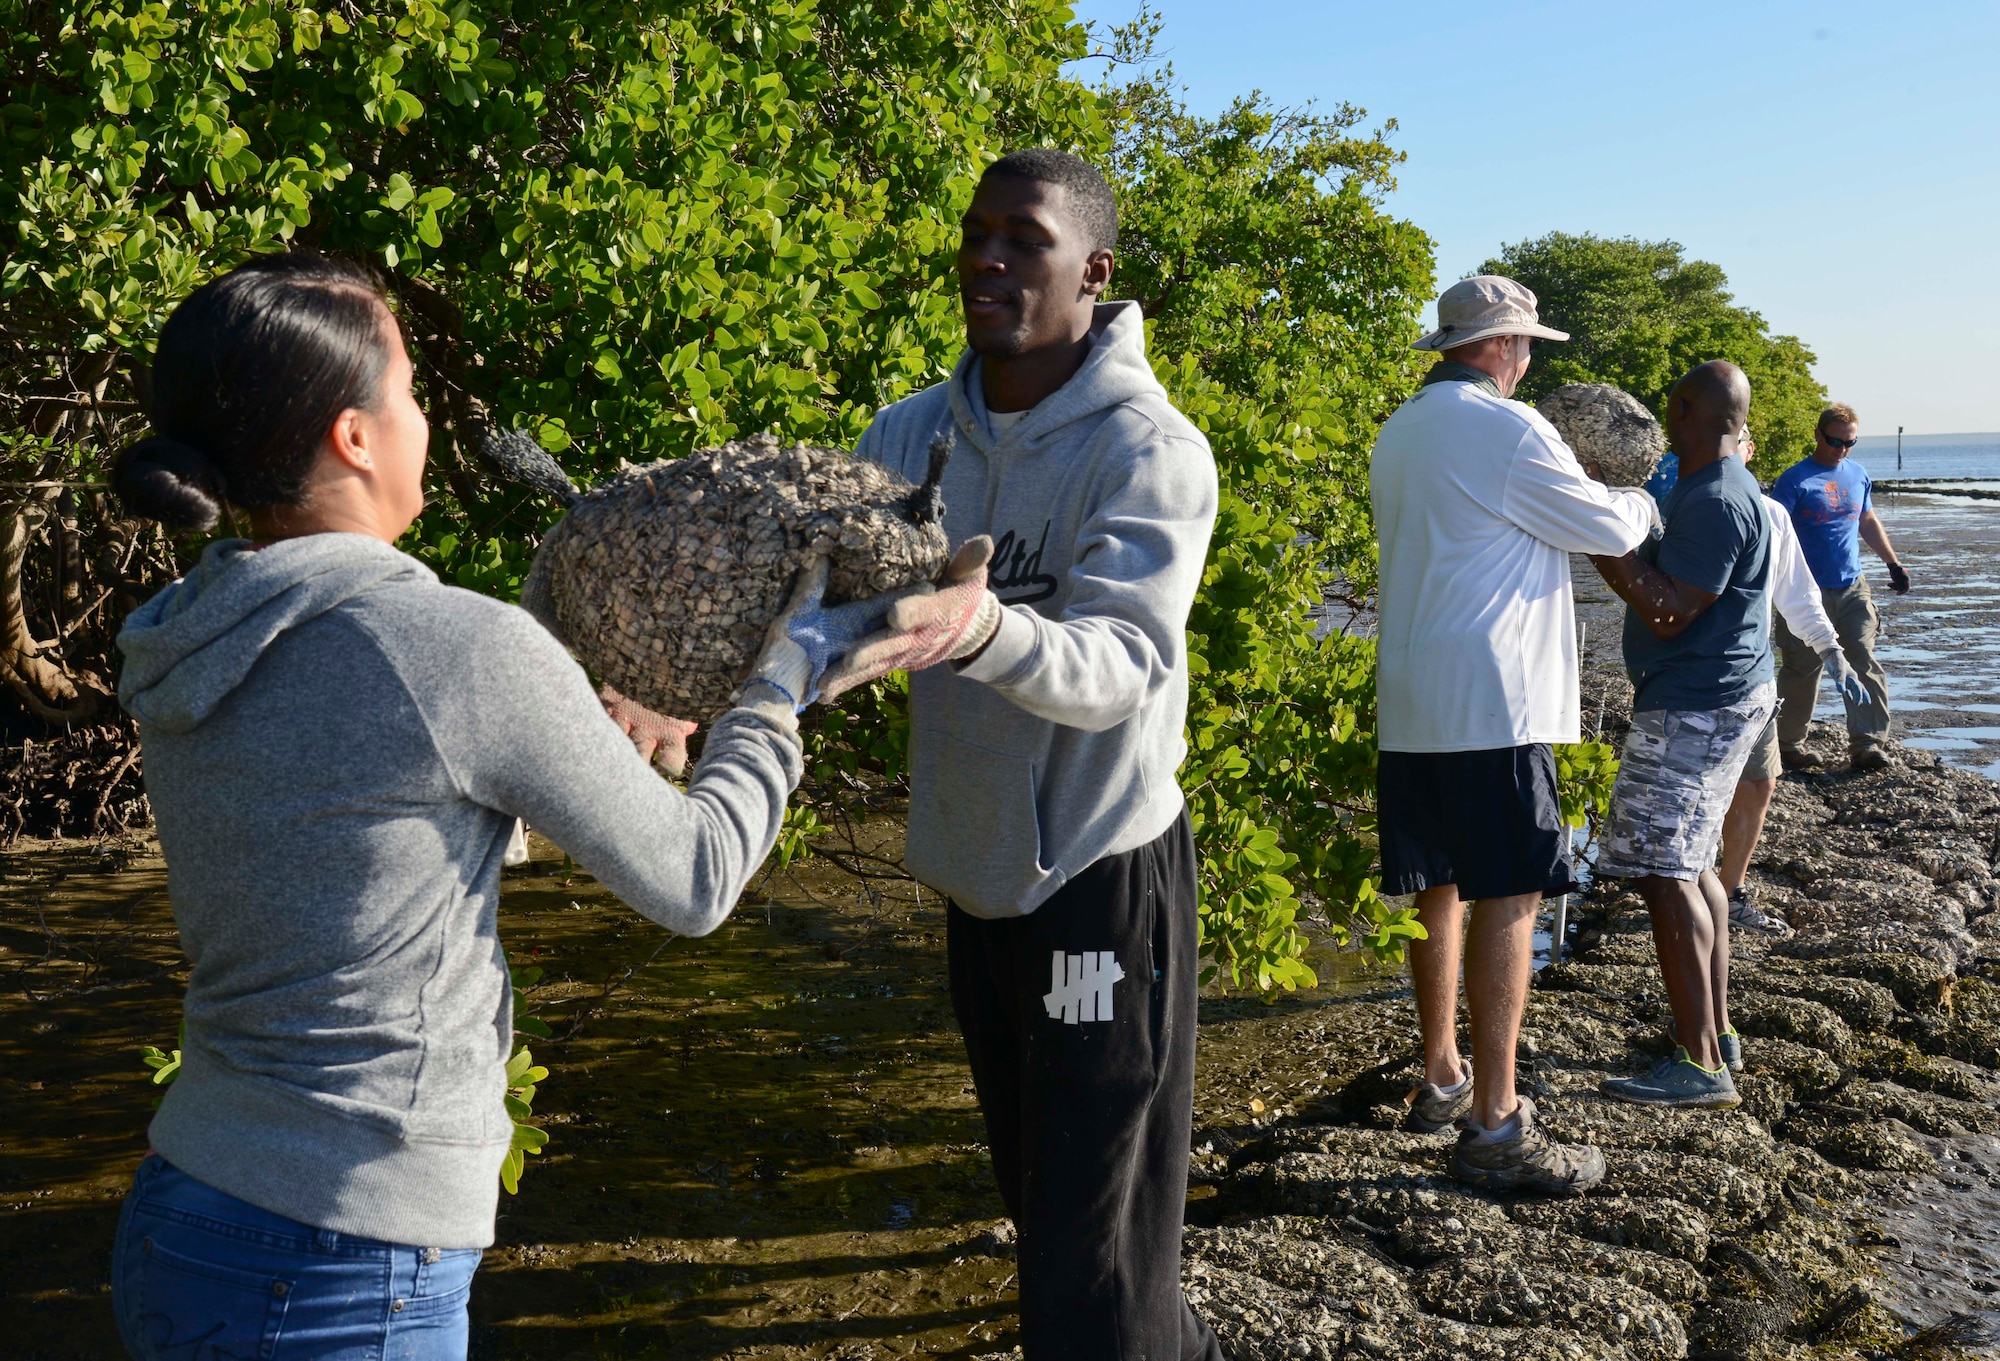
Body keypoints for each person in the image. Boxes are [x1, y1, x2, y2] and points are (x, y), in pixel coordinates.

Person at [107, 254, 848, 1358]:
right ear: (354, 436)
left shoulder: (182, 632)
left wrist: (616, 743)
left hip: (182, 1208)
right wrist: (779, 683)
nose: (419, 415)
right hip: (349, 1258)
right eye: (405, 389)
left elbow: (375, 835)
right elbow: (695, 879)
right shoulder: (450, 647)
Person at [820, 149, 1223, 1360]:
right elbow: (825, 613)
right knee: (1037, 1191)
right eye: (975, 233)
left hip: (1100, 878)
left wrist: (980, 627)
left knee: (1092, 1242)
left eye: (1022, 240)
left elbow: (1122, 669)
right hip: (973, 874)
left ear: (1091, 271)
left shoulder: (1148, 450)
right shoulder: (904, 435)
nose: (985, 258)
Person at [1372, 275, 1655, 1194]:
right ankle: (1497, 1121)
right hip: (1494, 700)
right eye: (1527, 344)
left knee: (1436, 885)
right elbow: (1602, 522)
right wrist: (1651, 500)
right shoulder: (1509, 427)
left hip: (1412, 696)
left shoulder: (1399, 430)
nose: (1530, 361)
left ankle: (1442, 1074)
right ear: (1500, 347)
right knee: (1512, 893)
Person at [1590, 361, 1773, 1109]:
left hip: (1698, 706)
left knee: (1664, 870)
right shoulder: (1717, 488)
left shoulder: (1718, 499)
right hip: (1719, 697)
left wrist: (1597, 536)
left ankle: (1699, 1064)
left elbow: (1669, 610)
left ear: (1686, 408)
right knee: (1695, 867)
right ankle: (1715, 1034)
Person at [1715, 427, 1879, 950]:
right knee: (1701, 795)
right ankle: (1681, 892)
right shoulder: (1678, 506)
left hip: (1754, 678)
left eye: (1737, 438)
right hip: (1687, 685)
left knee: (1759, 785)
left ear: (1749, 449)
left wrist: (1831, 650)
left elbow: (1798, 594)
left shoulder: (1772, 513)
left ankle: (1731, 893)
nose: (1729, 448)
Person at [1768, 402, 1908, 771]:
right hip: (1802, 592)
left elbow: (1867, 520)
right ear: (1817, 434)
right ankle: (1787, 746)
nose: (1841, 449)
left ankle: (1868, 745)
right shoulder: (1794, 480)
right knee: (1802, 668)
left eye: (1850, 443)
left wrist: (1892, 563)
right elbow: (1772, 532)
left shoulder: (1857, 475)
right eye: (1834, 441)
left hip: (1852, 587)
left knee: (1863, 660)